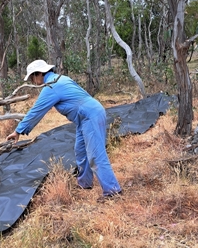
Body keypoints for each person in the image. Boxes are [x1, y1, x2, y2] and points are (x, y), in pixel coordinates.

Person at [6, 59, 122, 200]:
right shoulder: (60, 79)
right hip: (84, 118)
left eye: (32, 76)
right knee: (81, 151)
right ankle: (85, 183)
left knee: (96, 155)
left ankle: (112, 191)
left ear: (39, 74)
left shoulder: (51, 87)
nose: (32, 80)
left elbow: (36, 111)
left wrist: (18, 131)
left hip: (90, 116)